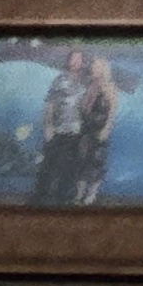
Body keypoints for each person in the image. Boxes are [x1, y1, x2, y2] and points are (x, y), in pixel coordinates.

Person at [33, 48, 90, 205]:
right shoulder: (59, 79)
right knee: (48, 166)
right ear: (68, 60)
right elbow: (49, 104)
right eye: (73, 58)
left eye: (79, 59)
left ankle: (61, 200)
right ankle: (38, 199)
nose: (76, 62)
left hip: (76, 132)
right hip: (58, 130)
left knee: (68, 168)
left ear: (83, 62)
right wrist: (48, 126)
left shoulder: (86, 82)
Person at [75, 54, 118, 204]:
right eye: (93, 66)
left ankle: (91, 194)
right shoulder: (88, 86)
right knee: (81, 160)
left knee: (96, 161)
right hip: (85, 129)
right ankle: (79, 193)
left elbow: (112, 111)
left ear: (103, 69)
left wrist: (106, 128)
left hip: (99, 129)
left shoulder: (109, 87)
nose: (93, 68)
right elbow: (82, 107)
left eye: (96, 66)